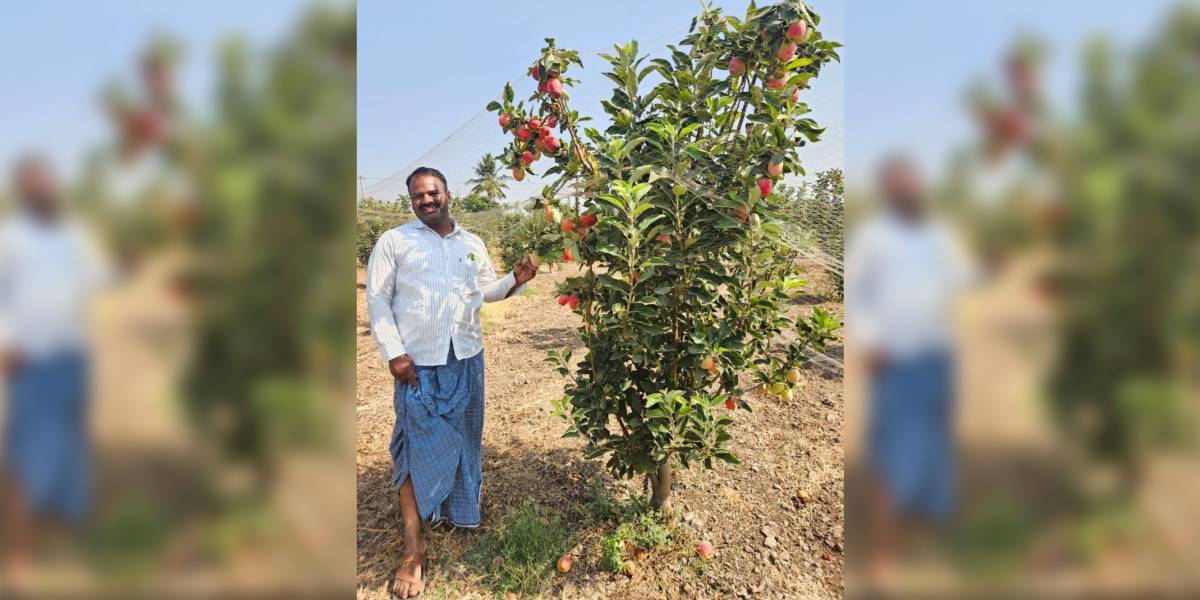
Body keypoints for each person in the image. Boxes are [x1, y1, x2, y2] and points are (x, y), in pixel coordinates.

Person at [365, 167, 537, 598]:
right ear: (411, 201)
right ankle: (413, 549)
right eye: (418, 196)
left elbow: (486, 291)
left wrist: (515, 280)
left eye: (433, 192)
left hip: (465, 358)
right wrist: (394, 352)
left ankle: (450, 510)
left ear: (447, 193)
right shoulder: (395, 242)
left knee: (462, 440)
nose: (426, 200)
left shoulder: (471, 244)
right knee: (411, 446)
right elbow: (377, 300)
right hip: (417, 365)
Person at [846, 156, 977, 584]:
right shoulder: (874, 237)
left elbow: (964, 277)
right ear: (889, 190)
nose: (909, 190)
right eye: (899, 184)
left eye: (913, 182)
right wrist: (869, 340)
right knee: (891, 454)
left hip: (936, 355)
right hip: (896, 358)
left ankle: (921, 534)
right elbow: (856, 290)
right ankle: (884, 556)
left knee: (933, 442)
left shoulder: (939, 235)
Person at [0, 155, 113, 585]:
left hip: (72, 355)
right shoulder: (9, 237)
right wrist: (5, 343)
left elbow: (94, 279)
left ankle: (62, 529)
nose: (46, 189)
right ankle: (17, 558)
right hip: (30, 358)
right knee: (25, 459)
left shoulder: (75, 235)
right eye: (35, 184)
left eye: (49, 181)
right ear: (22, 192)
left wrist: (123, 268)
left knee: (68, 442)